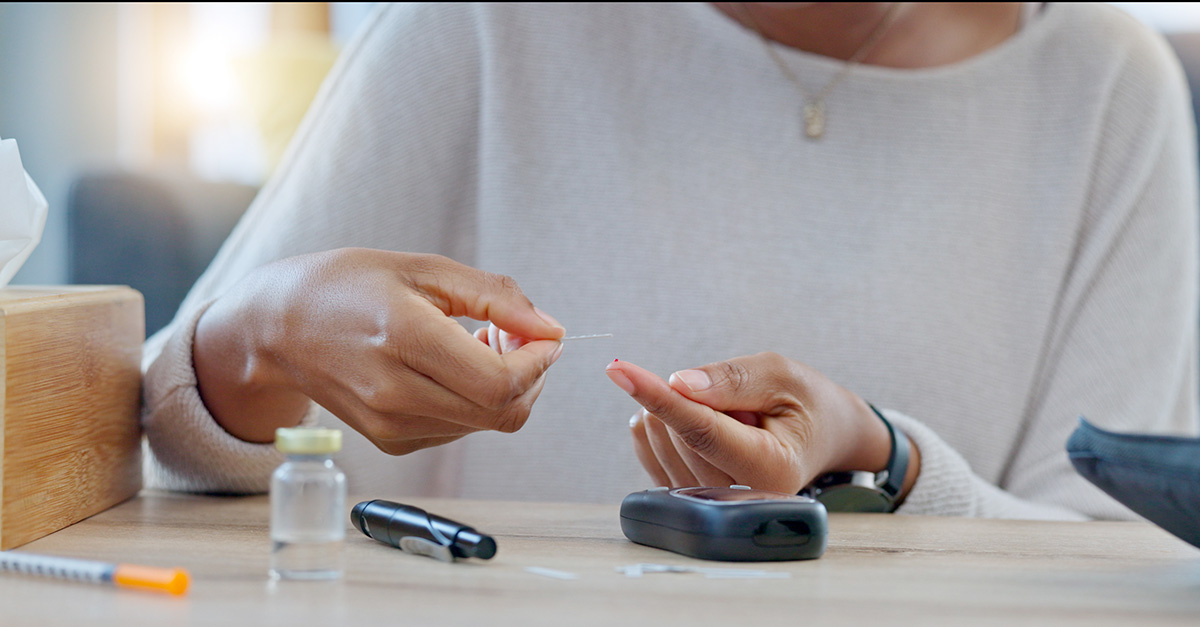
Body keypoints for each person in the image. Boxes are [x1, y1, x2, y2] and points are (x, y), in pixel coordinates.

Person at [142, 2, 1198, 519]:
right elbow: (145, 446)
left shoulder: (1111, 92)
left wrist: (886, 463)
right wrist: (268, 335)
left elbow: (1116, 559)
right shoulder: (483, 27)